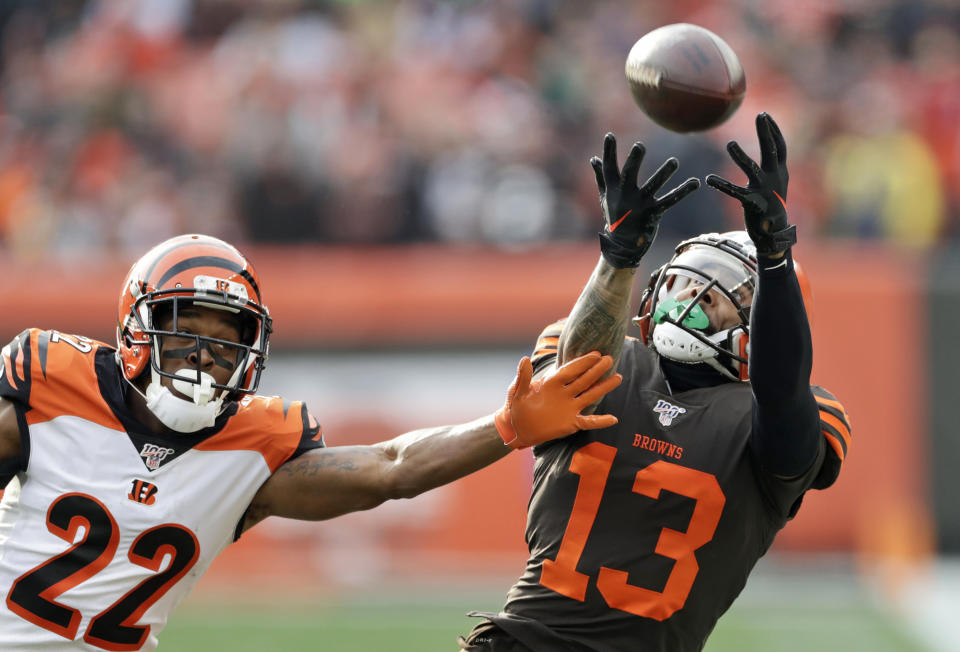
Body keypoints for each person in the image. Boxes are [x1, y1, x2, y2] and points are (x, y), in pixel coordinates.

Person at [0, 234, 624, 651]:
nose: (204, 358)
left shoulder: (252, 447)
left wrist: (506, 427)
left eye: (225, 343)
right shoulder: (54, 382)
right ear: (138, 329)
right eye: (184, 331)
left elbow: (391, 468)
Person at [459, 113, 853, 652]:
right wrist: (619, 257)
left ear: (760, 321)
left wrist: (776, 258)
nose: (688, 298)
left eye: (717, 291)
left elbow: (783, 392)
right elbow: (572, 370)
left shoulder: (777, 419)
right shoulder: (605, 360)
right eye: (685, 280)